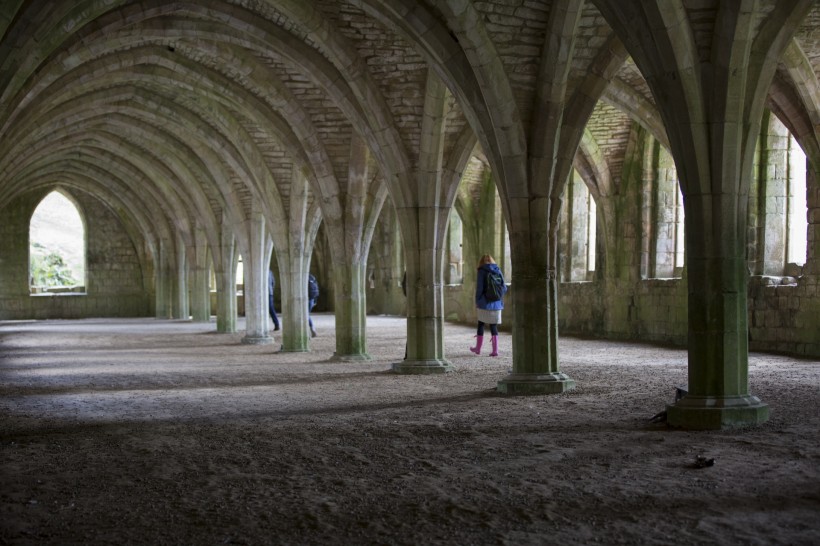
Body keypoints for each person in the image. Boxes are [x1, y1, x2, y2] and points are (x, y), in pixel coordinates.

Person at [470, 254, 507, 357]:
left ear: (481, 262)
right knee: (493, 326)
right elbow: (504, 287)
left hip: (485, 302)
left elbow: (480, 288)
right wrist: (497, 297)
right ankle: (495, 350)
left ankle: (478, 349)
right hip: (496, 303)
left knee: (481, 324)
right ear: (492, 260)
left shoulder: (482, 271)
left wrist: (478, 300)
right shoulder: (497, 269)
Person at [307, 273, 319, 337]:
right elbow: (317, 289)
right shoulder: (312, 277)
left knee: (305, 315)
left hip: (306, 299)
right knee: (306, 315)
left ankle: (311, 329)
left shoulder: (302, 277)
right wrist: (315, 300)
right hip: (312, 299)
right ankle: (311, 329)